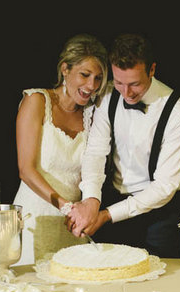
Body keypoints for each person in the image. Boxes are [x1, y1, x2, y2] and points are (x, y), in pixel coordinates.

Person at [65, 33, 180, 258]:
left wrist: (105, 215)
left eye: (135, 84)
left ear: (152, 70)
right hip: (113, 201)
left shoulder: (179, 112)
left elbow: (165, 186)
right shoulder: (107, 95)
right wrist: (92, 200)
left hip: (160, 213)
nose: (126, 93)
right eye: (119, 83)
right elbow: (95, 152)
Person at [12, 34, 108, 265]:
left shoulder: (92, 114)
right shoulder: (36, 101)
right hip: (35, 219)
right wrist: (66, 207)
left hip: (73, 226)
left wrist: (83, 212)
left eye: (98, 78)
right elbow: (26, 170)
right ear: (65, 69)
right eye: (85, 75)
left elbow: (93, 168)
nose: (91, 86)